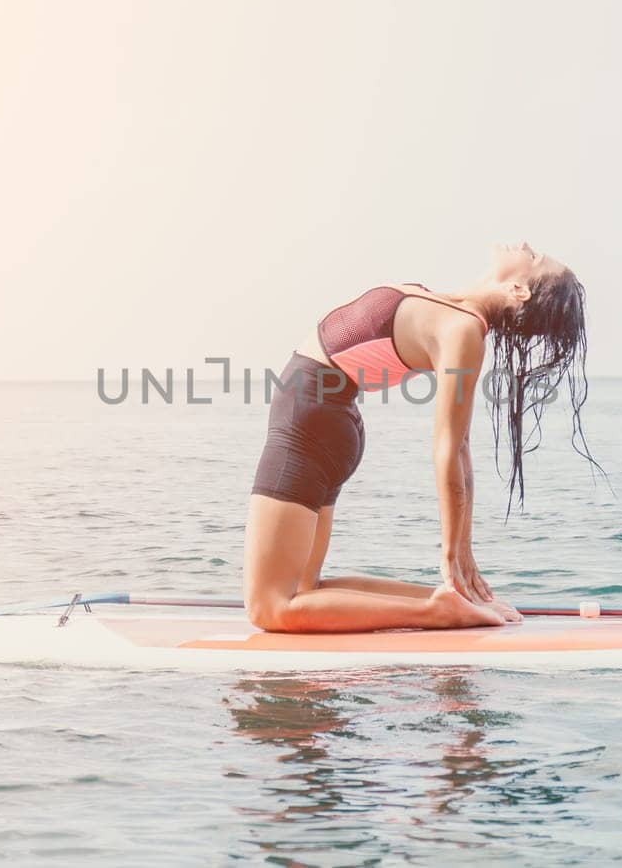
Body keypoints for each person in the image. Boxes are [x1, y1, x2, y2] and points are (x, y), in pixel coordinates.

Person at [244, 242, 600, 633]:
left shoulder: (463, 329)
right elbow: (460, 450)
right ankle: (453, 600)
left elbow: (452, 450)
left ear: (519, 290)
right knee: (304, 589)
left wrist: (454, 555)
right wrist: (464, 571)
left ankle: (438, 611)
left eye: (534, 259)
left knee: (270, 608)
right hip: (321, 420)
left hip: (309, 422)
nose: (528, 247)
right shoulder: (455, 311)